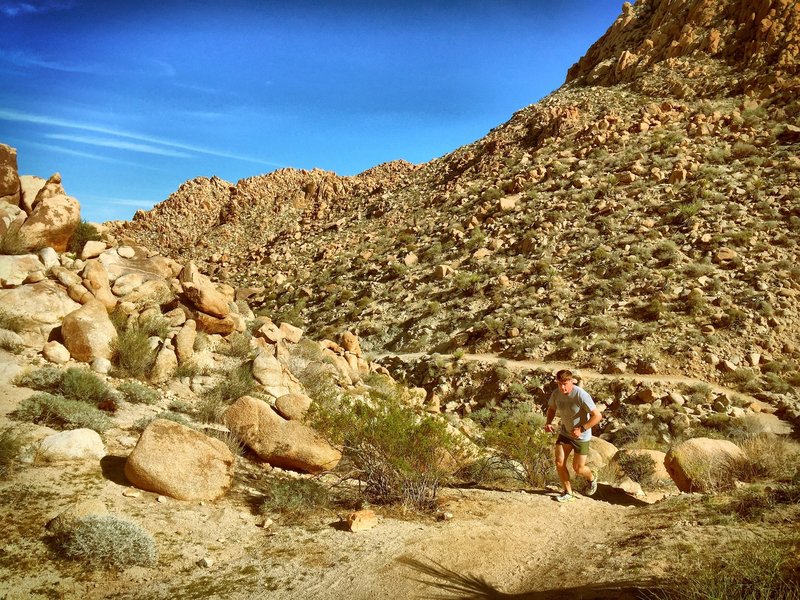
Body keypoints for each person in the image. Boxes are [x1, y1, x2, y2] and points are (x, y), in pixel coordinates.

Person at [544, 369, 602, 503]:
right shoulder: (556, 394)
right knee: (559, 462)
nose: (562, 387)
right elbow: (552, 408)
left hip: (582, 436)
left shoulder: (581, 395)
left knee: (578, 469)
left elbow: (597, 416)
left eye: (565, 383)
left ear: (572, 381)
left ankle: (592, 478)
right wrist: (548, 422)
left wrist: (582, 429)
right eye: (559, 384)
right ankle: (568, 492)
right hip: (565, 433)